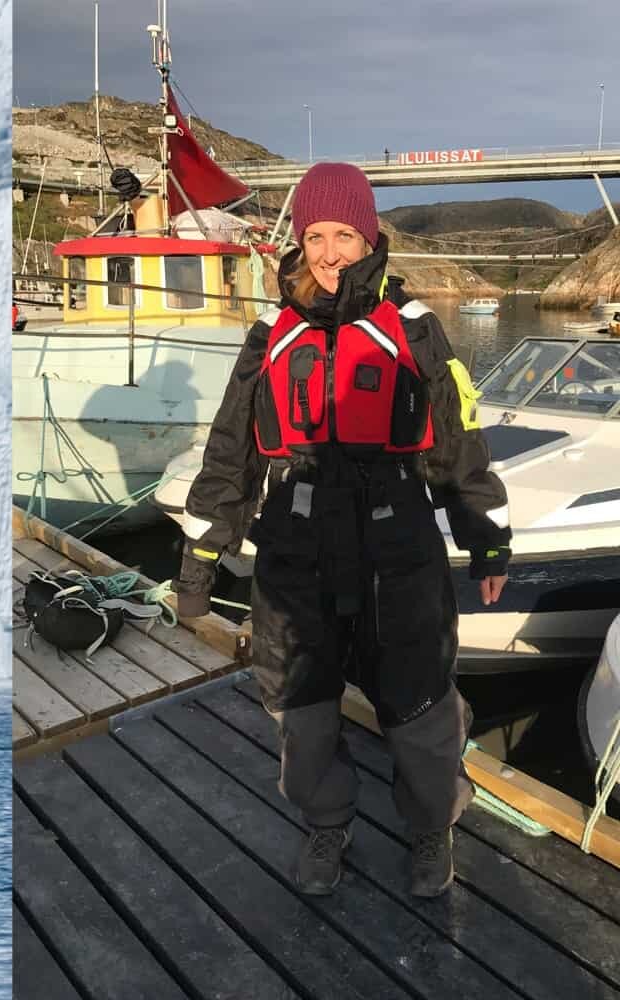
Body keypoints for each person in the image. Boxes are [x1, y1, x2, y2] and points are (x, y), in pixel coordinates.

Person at [175, 161, 509, 898]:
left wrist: (486, 534)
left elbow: (459, 440)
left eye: (344, 235)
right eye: (316, 235)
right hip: (297, 552)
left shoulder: (415, 329)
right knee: (303, 710)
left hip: (399, 551)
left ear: (370, 239)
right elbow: (230, 453)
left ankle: (430, 828)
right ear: (299, 242)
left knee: (421, 709)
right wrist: (201, 559)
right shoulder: (268, 334)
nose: (328, 252)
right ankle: (327, 824)